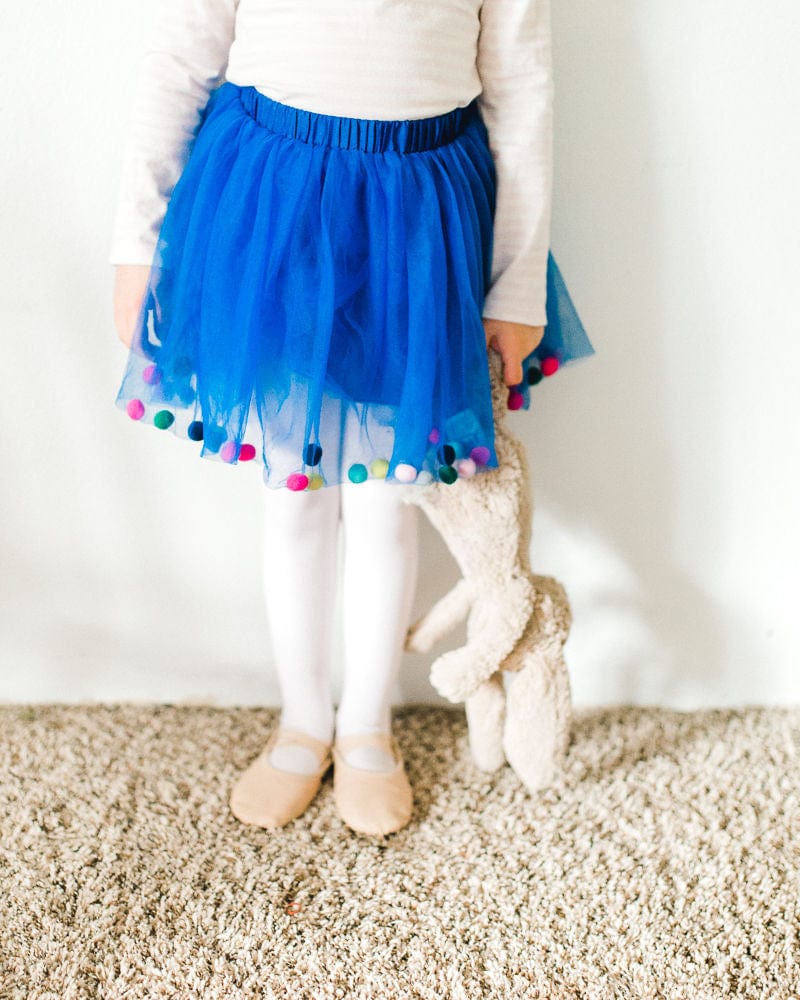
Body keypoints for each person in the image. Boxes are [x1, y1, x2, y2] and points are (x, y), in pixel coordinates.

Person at [109, 0, 594, 837]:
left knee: (383, 498)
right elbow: (179, 57)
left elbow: (521, 88)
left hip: (418, 225)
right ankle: (303, 722)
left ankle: (368, 726)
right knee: (296, 494)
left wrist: (515, 284)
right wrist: (136, 242)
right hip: (275, 211)